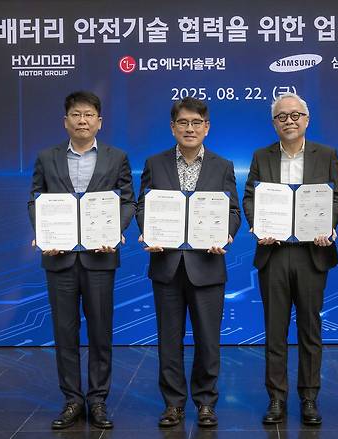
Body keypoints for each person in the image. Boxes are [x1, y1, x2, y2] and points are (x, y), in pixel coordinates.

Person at [28, 91, 135, 429]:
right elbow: (35, 199)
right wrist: (43, 233)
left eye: (89, 115)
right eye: (76, 114)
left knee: (101, 331)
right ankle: (72, 399)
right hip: (59, 259)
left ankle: (98, 400)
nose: (83, 121)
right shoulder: (47, 158)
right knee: (64, 331)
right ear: (66, 121)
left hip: (99, 258)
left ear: (99, 122)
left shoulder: (116, 158)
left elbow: (128, 201)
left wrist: (116, 230)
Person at [136, 97, 241, 428]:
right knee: (169, 340)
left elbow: (233, 211)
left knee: (208, 340)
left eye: (196, 123)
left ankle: (206, 402)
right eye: (183, 122)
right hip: (166, 265)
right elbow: (143, 206)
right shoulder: (155, 164)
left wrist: (226, 234)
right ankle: (173, 404)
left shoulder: (222, 166)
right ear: (173, 128)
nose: (190, 128)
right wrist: (147, 230)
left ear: (207, 127)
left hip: (207, 265)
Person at [242, 92, 338, 425]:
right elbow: (250, 198)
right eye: (282, 116)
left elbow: (337, 198)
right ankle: (276, 398)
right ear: (274, 123)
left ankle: (309, 398)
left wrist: (328, 225)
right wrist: (258, 226)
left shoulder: (326, 155)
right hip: (273, 253)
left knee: (310, 330)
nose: (289, 121)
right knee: (275, 330)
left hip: (312, 254)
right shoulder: (261, 156)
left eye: (296, 115)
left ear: (307, 120)